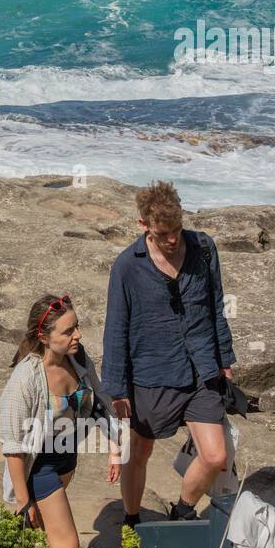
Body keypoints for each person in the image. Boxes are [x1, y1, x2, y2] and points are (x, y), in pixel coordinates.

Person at [101, 180, 237, 525]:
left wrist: (225, 361)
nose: (173, 239)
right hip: (151, 373)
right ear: (144, 226)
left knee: (216, 454)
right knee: (139, 452)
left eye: (177, 229)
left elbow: (215, 305)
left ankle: (183, 511)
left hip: (201, 369)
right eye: (163, 233)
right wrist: (116, 390)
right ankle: (132, 519)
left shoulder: (204, 248)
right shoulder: (126, 267)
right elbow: (115, 329)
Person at [0, 293, 122, 548]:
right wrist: (23, 500)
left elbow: (100, 399)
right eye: (68, 331)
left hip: (67, 458)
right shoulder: (25, 379)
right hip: (39, 466)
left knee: (43, 530)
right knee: (68, 547)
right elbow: (13, 445)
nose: (77, 335)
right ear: (44, 337)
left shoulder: (77, 359)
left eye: (76, 326)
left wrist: (115, 449)